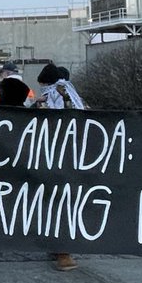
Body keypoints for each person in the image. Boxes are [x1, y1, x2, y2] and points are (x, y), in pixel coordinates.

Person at [32, 62, 83, 271]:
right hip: (70, 157)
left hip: (54, 157)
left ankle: (62, 250)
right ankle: (60, 249)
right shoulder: (71, 95)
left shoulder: (53, 96)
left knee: (57, 203)